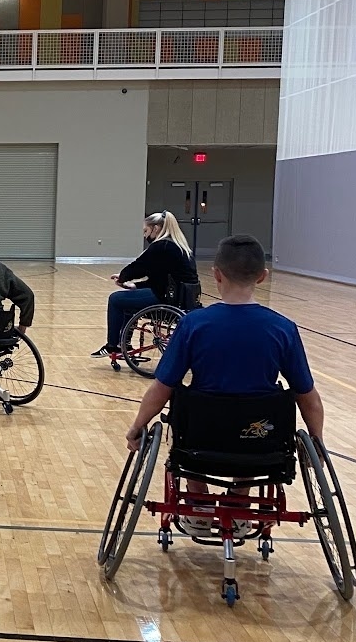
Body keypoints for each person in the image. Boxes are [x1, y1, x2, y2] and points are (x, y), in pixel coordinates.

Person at [124, 235, 325, 536]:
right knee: (258, 419)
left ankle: (198, 501)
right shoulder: (283, 328)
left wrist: (138, 425)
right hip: (261, 442)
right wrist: (317, 441)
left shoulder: (193, 324)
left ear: (216, 274)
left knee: (185, 409)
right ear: (262, 276)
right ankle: (240, 502)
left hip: (200, 439)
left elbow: (162, 388)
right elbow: (307, 396)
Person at [91, 211, 199, 358]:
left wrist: (122, 277)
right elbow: (159, 277)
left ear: (155, 229)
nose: (144, 235)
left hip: (167, 298)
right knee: (129, 300)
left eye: (146, 231)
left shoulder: (161, 246)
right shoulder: (180, 246)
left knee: (115, 299)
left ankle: (112, 345)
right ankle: (125, 343)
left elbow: (139, 266)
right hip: (183, 297)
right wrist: (136, 286)